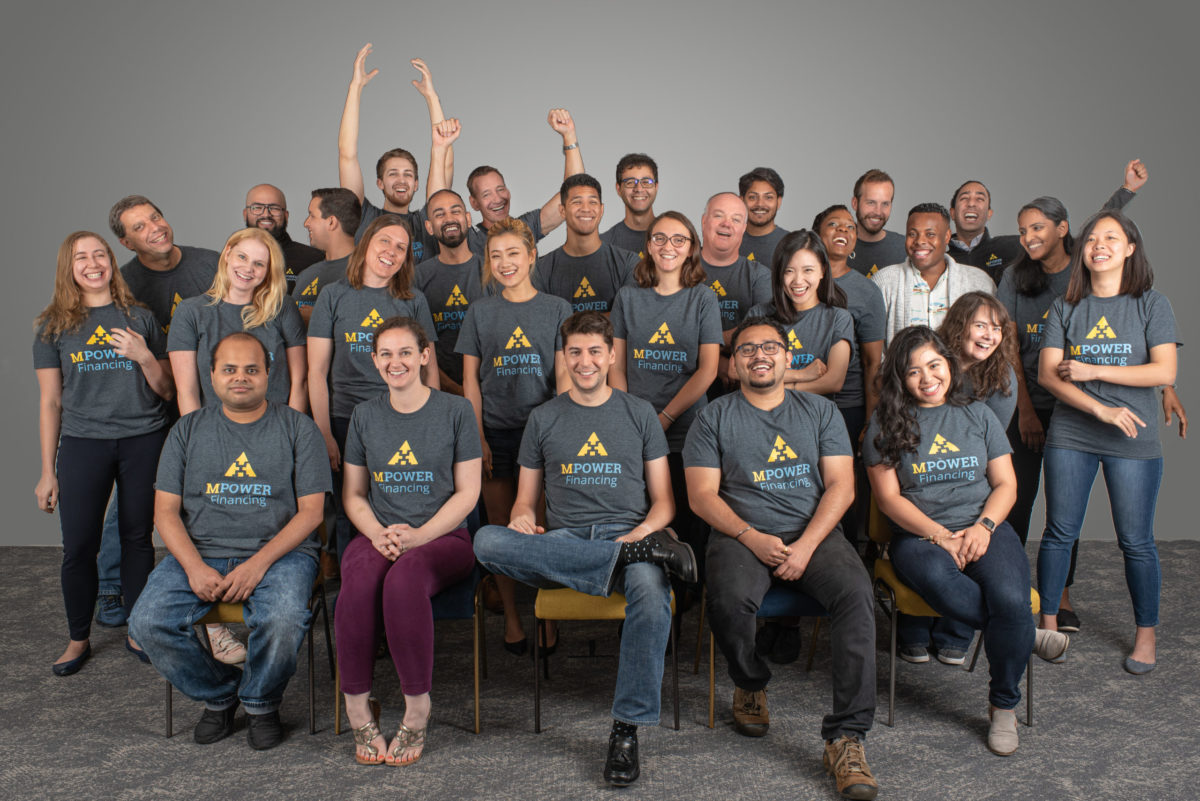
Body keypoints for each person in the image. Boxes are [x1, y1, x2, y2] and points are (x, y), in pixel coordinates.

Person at [474, 311, 694, 787]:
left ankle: (626, 730)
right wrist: (521, 518)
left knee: (652, 596)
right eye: (574, 352)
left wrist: (639, 535)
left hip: (632, 536)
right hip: (566, 541)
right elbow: (525, 502)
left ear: (612, 355)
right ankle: (616, 562)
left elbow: (664, 503)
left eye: (595, 351)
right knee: (486, 540)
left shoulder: (639, 413)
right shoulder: (543, 418)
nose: (585, 361)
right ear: (564, 357)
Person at [683, 315, 878, 801]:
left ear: (787, 358)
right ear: (733, 364)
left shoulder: (821, 412)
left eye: (769, 347)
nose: (759, 356)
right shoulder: (713, 417)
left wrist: (807, 545)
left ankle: (846, 738)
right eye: (747, 349)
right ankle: (750, 682)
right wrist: (751, 538)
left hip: (815, 533)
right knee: (728, 599)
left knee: (857, 596)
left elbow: (842, 486)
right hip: (740, 533)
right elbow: (702, 496)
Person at [863, 325, 1067, 756]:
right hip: (919, 538)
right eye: (914, 371)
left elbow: (1006, 485)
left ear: (949, 365)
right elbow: (888, 499)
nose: (927, 378)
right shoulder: (884, 423)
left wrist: (983, 528)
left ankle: (1003, 706)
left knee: (1010, 598)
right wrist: (940, 536)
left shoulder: (978, 414)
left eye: (934, 365)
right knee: (952, 587)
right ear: (900, 377)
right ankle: (1022, 633)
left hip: (984, 528)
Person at [130, 332, 331, 750]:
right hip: (201, 551)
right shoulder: (186, 430)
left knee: (282, 619)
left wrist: (257, 564)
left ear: (269, 374)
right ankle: (220, 694)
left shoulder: (299, 428)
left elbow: (312, 513)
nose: (241, 377)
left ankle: (261, 702)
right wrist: (193, 568)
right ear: (212, 375)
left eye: (251, 369)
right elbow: (164, 512)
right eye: (230, 369)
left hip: (282, 555)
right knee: (146, 623)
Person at [1035, 210, 1177, 675]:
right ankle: (1048, 624)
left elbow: (1163, 370)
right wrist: (1099, 408)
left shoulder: (1151, 304)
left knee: (1136, 541)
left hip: (1133, 436)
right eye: (1093, 238)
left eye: (1111, 238)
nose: (1100, 246)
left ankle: (1145, 635)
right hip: (1073, 433)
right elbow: (1048, 375)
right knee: (1059, 533)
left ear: (1130, 248)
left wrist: (1092, 370)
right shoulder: (1066, 306)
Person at [335, 317, 481, 766]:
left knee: (403, 581)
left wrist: (419, 536)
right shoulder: (364, 415)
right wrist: (376, 533)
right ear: (374, 360)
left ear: (424, 356)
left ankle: (417, 708)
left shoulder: (456, 411)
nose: (395, 362)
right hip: (378, 534)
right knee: (358, 582)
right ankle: (357, 707)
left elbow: (468, 493)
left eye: (405, 352)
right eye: (386, 354)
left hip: (444, 537)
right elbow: (354, 494)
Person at [34, 231, 174, 675]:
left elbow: (166, 389)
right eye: (81, 257)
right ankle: (78, 639)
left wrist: (143, 355)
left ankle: (137, 629)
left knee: (137, 538)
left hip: (143, 438)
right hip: (83, 443)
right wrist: (47, 471)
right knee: (78, 546)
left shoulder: (140, 318)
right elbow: (50, 402)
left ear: (112, 262)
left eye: (100, 254)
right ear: (68, 267)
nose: (93, 263)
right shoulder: (53, 327)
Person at [456, 216, 571, 654]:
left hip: (540, 434)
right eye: (496, 255)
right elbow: (470, 382)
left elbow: (563, 380)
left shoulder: (557, 308)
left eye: (513, 254)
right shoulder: (480, 312)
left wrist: (556, 435)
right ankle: (512, 616)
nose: (505, 263)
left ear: (532, 256)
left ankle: (546, 613)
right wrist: (477, 438)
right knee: (502, 529)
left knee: (542, 529)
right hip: (496, 434)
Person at [308, 214, 439, 560]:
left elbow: (430, 370)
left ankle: (406, 570)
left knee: (406, 501)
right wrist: (324, 432)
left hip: (404, 418)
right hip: (346, 419)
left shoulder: (413, 300)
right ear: (366, 243)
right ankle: (353, 577)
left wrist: (434, 421)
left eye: (401, 247)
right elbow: (316, 371)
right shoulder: (333, 296)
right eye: (385, 241)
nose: (391, 251)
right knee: (350, 506)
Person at [609, 210, 722, 581]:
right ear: (648, 245)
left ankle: (689, 599)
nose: (667, 246)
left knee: (689, 521)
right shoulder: (627, 297)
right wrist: (632, 419)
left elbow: (707, 370)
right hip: (635, 428)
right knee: (643, 519)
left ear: (691, 248)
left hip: (688, 429)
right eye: (659, 238)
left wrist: (665, 418)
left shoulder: (703, 298)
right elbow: (616, 366)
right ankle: (650, 592)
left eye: (678, 239)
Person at [169, 228, 307, 415]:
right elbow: (187, 392)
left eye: (259, 264)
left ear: (268, 271)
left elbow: (300, 383)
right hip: (215, 427)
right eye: (242, 257)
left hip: (277, 425)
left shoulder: (282, 307)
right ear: (227, 254)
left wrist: (294, 429)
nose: (248, 268)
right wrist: (197, 432)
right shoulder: (190, 312)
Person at [948, 159, 1149, 283]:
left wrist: (1127, 190)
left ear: (989, 213)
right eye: (964, 199)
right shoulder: (940, 257)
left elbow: (1087, 237)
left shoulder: (1011, 246)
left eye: (980, 199)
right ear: (953, 213)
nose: (972, 204)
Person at [337, 44, 445, 261]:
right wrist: (355, 87)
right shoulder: (365, 217)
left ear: (416, 184)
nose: (401, 180)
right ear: (380, 182)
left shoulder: (426, 222)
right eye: (393, 173)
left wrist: (431, 97)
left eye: (408, 174)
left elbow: (442, 151)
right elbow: (347, 154)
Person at [456, 109, 585, 258]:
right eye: (486, 194)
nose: (497, 198)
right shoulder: (469, 240)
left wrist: (569, 135)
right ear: (474, 203)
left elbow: (574, 193)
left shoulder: (526, 226)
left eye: (500, 189)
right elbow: (437, 206)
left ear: (508, 191)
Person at [872, 202, 995, 345]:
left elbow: (991, 338)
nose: (920, 241)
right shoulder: (884, 281)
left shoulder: (979, 282)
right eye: (912, 234)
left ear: (947, 236)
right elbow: (873, 345)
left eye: (930, 234)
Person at [813, 204, 886, 430]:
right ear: (816, 236)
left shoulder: (868, 292)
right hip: (799, 399)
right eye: (833, 224)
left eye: (850, 227)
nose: (843, 230)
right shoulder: (798, 282)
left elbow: (872, 362)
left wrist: (870, 422)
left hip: (848, 406)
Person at [110, 194, 220, 333]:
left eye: (155, 217)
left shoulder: (214, 263)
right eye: (139, 227)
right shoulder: (121, 287)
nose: (155, 227)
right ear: (127, 243)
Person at [415, 188, 486, 395]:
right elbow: (417, 346)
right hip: (438, 391)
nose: (449, 219)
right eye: (439, 214)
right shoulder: (416, 278)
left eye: (455, 211)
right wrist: (456, 390)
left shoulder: (492, 273)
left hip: (490, 392)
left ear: (468, 219)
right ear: (429, 227)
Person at [534, 174, 638, 314]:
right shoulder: (541, 270)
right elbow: (544, 322)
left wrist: (567, 321)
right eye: (577, 202)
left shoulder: (628, 263)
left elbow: (629, 319)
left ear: (601, 210)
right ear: (562, 211)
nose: (586, 209)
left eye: (593, 202)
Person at [937, 292, 1018, 428]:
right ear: (958, 326)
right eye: (980, 326)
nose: (989, 336)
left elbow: (993, 435)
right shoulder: (930, 362)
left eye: (996, 329)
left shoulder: (1002, 374)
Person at [294, 188, 362, 324]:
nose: (306, 223)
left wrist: (320, 316)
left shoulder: (367, 273)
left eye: (312, 216)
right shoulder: (306, 275)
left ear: (331, 222)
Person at [243, 183, 323, 291]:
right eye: (257, 208)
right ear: (245, 214)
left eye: (274, 208)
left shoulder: (313, 259)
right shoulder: (231, 259)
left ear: (286, 215)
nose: (266, 214)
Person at [846, 169, 905, 278]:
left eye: (885, 204)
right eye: (871, 203)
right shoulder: (837, 247)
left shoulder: (905, 249)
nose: (878, 212)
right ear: (855, 203)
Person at [600, 153, 659, 257]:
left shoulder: (674, 238)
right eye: (630, 182)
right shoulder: (604, 244)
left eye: (646, 182)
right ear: (618, 189)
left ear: (656, 187)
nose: (639, 189)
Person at [738, 167, 788, 264]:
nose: (760, 204)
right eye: (752, 197)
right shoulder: (728, 241)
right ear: (741, 201)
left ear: (778, 202)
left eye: (768, 197)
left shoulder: (792, 244)